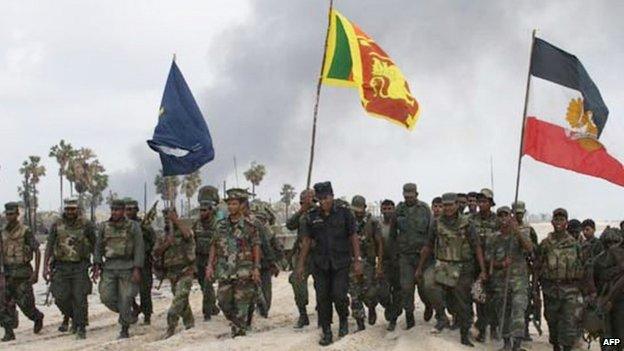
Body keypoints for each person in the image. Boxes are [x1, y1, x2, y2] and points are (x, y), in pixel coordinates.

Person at [416, 193, 488, 347]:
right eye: (445, 205)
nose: (448, 208)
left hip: (463, 267)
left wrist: (482, 270)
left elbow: (476, 246)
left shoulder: (467, 223)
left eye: (451, 205)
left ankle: (464, 334)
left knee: (464, 302)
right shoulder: (436, 223)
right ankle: (441, 316)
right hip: (443, 265)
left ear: (457, 205)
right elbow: (428, 246)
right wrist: (420, 268)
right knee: (429, 285)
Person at [296, 181, 362, 346]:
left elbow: (353, 237)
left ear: (332, 196)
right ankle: (326, 330)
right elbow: (306, 241)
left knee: (339, 295)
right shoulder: (312, 216)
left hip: (341, 262)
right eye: (320, 199)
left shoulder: (344, 213)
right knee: (323, 298)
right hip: (320, 263)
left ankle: (343, 322)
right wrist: (301, 265)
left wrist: (357, 259)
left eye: (326, 198)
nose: (323, 202)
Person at [535, 208, 594, 351]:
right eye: (556, 219)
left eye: (562, 219)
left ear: (566, 222)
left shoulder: (574, 245)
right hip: (550, 290)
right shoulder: (545, 244)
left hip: (570, 291)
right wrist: (535, 289)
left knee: (569, 323)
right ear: (552, 222)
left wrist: (587, 291)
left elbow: (583, 267)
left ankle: (567, 347)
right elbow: (537, 266)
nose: (559, 222)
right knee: (552, 322)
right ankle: (556, 345)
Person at [205, 188, 261, 338]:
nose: (231, 207)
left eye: (234, 204)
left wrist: (256, 267)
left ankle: (239, 332)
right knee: (223, 301)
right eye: (229, 204)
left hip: (244, 271)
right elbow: (213, 245)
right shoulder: (220, 225)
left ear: (241, 205)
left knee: (240, 305)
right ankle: (239, 323)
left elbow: (256, 246)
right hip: (225, 271)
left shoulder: (250, 226)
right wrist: (210, 265)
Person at [43, 198, 95, 339]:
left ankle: (81, 327)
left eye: (73, 209)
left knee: (80, 297)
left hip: (80, 266)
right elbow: (49, 245)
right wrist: (45, 267)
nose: (70, 212)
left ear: (77, 209)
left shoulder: (86, 224)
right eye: (68, 209)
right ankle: (73, 317)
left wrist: (97, 264)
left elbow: (95, 244)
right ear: (64, 209)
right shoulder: (57, 224)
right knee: (60, 297)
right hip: (61, 266)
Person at [92, 199, 144, 339]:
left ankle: (124, 328)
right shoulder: (104, 227)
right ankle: (127, 314)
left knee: (126, 298)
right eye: (113, 209)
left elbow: (139, 248)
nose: (114, 212)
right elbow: (97, 247)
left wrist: (137, 268)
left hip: (128, 267)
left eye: (117, 210)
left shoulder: (133, 226)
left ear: (123, 210)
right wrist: (96, 264)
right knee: (106, 297)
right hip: (109, 267)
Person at [487, 206, 533, 351]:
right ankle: (506, 343)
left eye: (506, 215)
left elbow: (529, 248)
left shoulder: (521, 233)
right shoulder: (493, 238)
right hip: (501, 281)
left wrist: (517, 230)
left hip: (519, 281)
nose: (503, 218)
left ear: (511, 217)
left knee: (518, 310)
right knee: (503, 312)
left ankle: (517, 345)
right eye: (500, 216)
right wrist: (501, 264)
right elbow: (489, 260)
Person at [1, 202, 44, 341]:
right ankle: (9, 331)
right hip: (7, 274)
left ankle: (37, 317)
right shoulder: (2, 232)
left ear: (17, 214)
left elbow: (37, 250)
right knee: (3, 304)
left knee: (27, 306)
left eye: (12, 214)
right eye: (7, 214)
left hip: (22, 274)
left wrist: (36, 272)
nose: (10, 216)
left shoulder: (25, 231)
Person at [395, 183, 435, 329]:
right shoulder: (399, 210)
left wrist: (428, 252)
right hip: (405, 256)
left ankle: (428, 305)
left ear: (416, 195)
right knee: (406, 287)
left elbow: (431, 234)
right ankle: (409, 316)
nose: (408, 199)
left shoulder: (424, 209)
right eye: (406, 196)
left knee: (424, 287)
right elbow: (394, 232)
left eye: (411, 196)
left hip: (422, 256)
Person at [153, 208, 196, 338]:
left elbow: (188, 235)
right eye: (165, 216)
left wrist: (176, 221)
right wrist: (167, 243)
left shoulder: (183, 230)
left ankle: (171, 326)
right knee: (182, 302)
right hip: (172, 274)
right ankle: (190, 324)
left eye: (169, 216)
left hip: (185, 271)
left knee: (177, 302)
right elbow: (156, 253)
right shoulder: (163, 236)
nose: (167, 219)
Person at [348, 195, 383, 331]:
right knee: (355, 294)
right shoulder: (348, 221)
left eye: (359, 209)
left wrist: (379, 265)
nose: (357, 212)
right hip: (352, 262)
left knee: (369, 293)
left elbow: (380, 244)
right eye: (354, 209)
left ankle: (372, 307)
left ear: (364, 208)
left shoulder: (372, 222)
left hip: (369, 262)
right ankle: (360, 323)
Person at [472, 188, 499, 342]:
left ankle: (494, 327)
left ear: (490, 203)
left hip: (493, 265)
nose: (481, 204)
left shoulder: (497, 221)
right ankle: (482, 327)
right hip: (475, 265)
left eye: (484, 202)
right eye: (479, 201)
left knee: (493, 298)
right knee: (478, 296)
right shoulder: (472, 220)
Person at [591, 228, 624, 350]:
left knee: (618, 335)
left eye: (614, 242)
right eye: (609, 243)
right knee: (607, 336)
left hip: (619, 302)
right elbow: (594, 281)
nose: (612, 246)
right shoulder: (598, 260)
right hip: (605, 302)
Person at [124, 198, 156, 325]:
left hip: (143, 262)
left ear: (137, 210)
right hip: (126, 262)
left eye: (132, 209)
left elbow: (152, 240)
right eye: (127, 209)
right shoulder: (122, 226)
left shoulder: (145, 226)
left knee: (145, 291)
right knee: (125, 291)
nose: (129, 212)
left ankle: (147, 315)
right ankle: (135, 308)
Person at [287, 189, 315, 329]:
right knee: (297, 281)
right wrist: (302, 210)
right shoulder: (302, 215)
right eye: (304, 199)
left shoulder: (319, 212)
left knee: (323, 285)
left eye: (310, 198)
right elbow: (290, 225)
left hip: (319, 255)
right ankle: (302, 313)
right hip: (303, 256)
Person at [512, 201, 539, 341]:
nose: (518, 215)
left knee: (525, 300)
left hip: (524, 267)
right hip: (509, 268)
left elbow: (534, 249)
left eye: (520, 213)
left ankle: (525, 330)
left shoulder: (528, 229)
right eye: (515, 212)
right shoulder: (507, 226)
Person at [193, 196, 220, 321]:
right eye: (201, 210)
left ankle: (207, 313)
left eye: (204, 210)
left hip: (212, 259)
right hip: (199, 258)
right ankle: (212, 306)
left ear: (210, 211)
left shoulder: (217, 224)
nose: (202, 213)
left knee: (207, 284)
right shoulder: (197, 223)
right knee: (202, 284)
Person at [377, 199, 402, 331]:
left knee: (398, 292)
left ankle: (393, 319)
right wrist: (379, 265)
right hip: (386, 262)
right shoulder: (379, 225)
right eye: (384, 209)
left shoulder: (400, 225)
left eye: (390, 209)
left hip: (398, 262)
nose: (387, 212)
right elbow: (380, 245)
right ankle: (389, 308)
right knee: (383, 293)